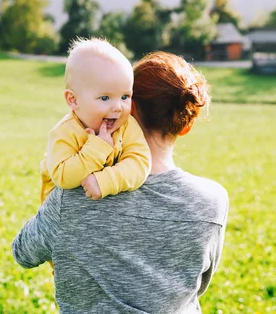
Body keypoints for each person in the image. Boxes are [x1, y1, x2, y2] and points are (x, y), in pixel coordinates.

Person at [12, 51, 229, 314]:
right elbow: (197, 285)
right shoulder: (213, 202)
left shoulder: (72, 195)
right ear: (186, 125)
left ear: (131, 108)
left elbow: (23, 253)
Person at [39, 38, 151, 203]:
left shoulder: (126, 126)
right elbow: (62, 176)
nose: (118, 107)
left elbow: (140, 162)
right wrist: (98, 149)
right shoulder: (64, 132)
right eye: (105, 98)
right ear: (73, 100)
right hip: (64, 216)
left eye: (125, 96)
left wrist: (107, 180)